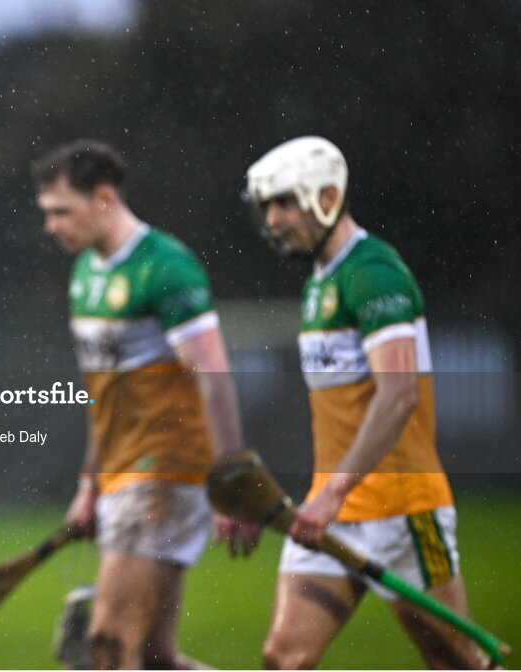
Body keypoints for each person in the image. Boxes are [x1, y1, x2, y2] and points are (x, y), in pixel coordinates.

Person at [243, 136, 489, 669]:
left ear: (327, 196)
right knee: (283, 658)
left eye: (285, 202)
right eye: (267, 206)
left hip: (402, 506)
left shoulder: (373, 272)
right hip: (334, 510)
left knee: (456, 663)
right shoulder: (320, 283)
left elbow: (398, 395)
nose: (275, 218)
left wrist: (332, 493)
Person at [33, 139, 260, 670]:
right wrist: (90, 485)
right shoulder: (86, 274)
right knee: (156, 657)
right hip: (120, 475)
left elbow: (216, 377)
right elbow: (105, 397)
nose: (52, 226)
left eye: (62, 211)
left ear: (104, 197)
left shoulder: (165, 267)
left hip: (164, 474)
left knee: (108, 643)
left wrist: (232, 482)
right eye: (47, 213)